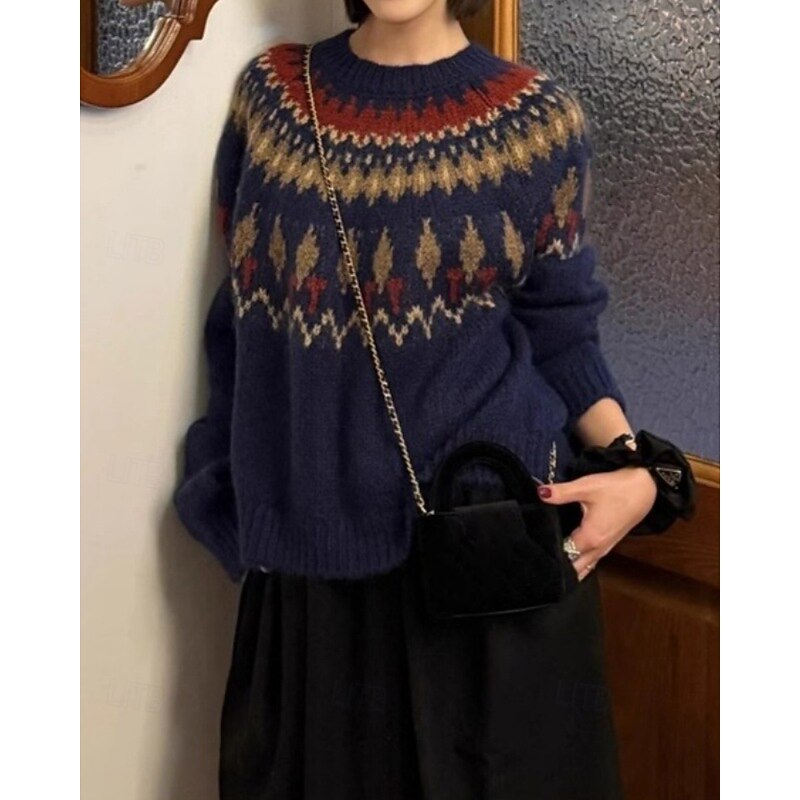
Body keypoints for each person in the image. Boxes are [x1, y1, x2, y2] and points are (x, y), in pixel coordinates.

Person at [172, 1, 667, 797]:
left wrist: (636, 472)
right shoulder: (274, 99)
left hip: (490, 568)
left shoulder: (537, 122)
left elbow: (562, 333)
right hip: (314, 583)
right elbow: (241, 320)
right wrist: (225, 490)